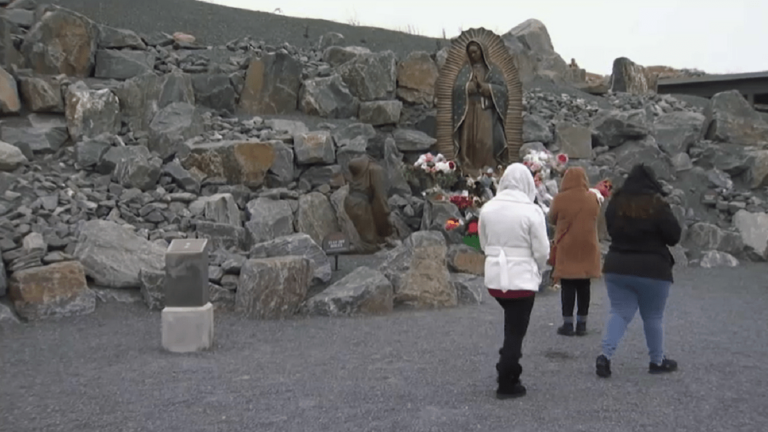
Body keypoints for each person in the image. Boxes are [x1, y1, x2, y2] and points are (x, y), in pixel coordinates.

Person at [596, 164, 682, 378]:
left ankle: (605, 356)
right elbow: (674, 236)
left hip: (617, 266)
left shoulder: (616, 202)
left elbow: (610, 229)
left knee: (619, 312)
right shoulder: (657, 204)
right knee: (653, 317)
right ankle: (657, 361)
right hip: (653, 268)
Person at [478, 163, 549, 399]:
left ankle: (507, 369)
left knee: (512, 325)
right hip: (521, 281)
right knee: (515, 333)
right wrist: (537, 269)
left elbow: (483, 243)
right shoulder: (531, 211)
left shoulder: (488, 208)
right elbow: (541, 250)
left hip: (496, 280)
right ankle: (507, 379)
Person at [548, 167, 602, 336]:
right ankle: (582, 323)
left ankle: (568, 324)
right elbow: (596, 215)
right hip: (588, 245)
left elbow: (552, 218)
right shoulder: (593, 199)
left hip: (567, 245)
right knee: (584, 285)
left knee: (568, 285)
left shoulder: (560, 199)